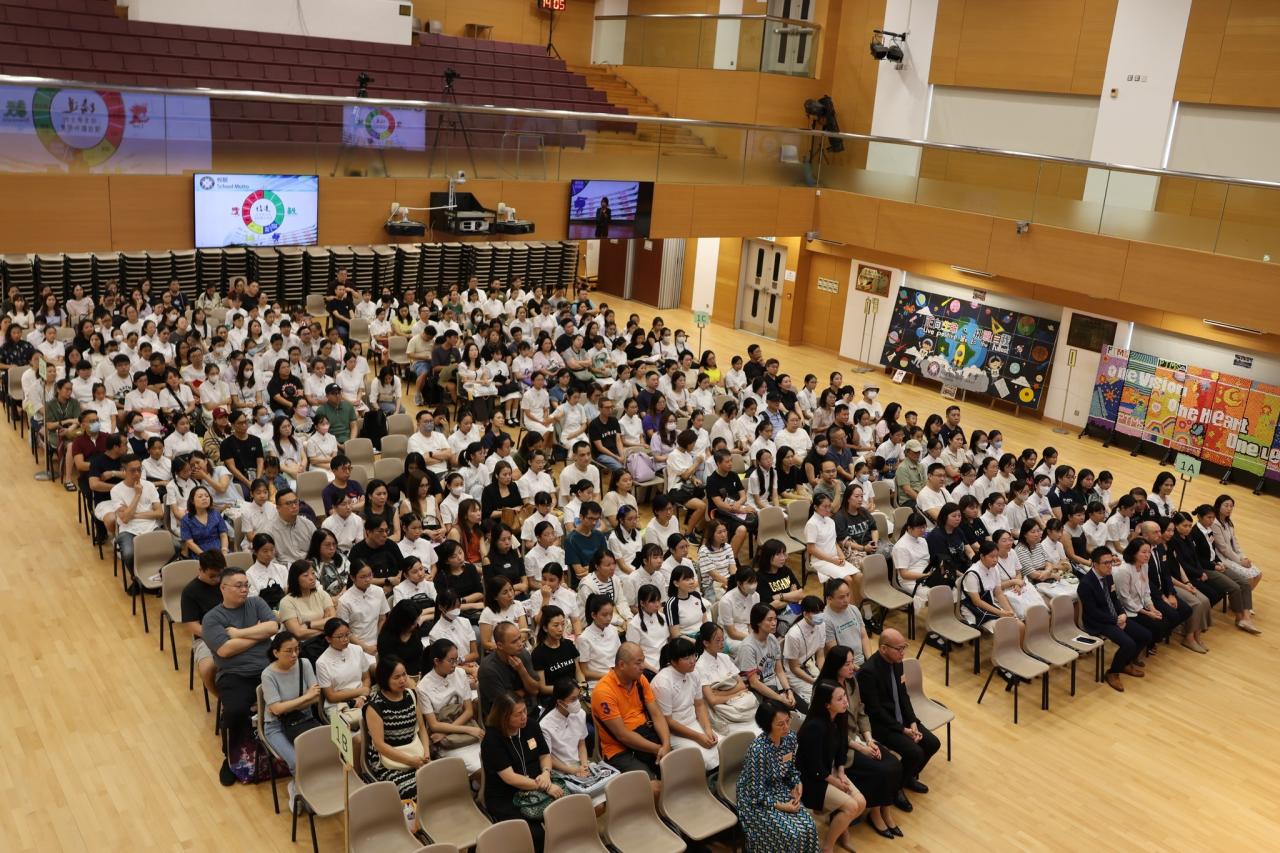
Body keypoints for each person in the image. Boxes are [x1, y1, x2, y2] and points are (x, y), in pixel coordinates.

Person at [202, 566, 279, 785]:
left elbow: (273, 626)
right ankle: (230, 758)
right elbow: (225, 650)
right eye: (238, 586)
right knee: (234, 712)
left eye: (246, 585)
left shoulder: (256, 603)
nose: (244, 589)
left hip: (268, 670)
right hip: (235, 674)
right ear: (223, 588)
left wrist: (238, 634)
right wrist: (258, 634)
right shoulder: (212, 618)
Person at [816, 645, 903, 837]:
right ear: (836, 665)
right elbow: (831, 731)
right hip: (840, 746)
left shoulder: (851, 681)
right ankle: (875, 814)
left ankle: (885, 810)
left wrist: (869, 740)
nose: (853, 667)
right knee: (880, 770)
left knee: (894, 763)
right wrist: (861, 748)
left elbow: (862, 712)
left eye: (852, 662)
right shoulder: (824, 689)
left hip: (858, 737)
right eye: (847, 664)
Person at [856, 629, 939, 808]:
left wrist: (913, 722)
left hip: (901, 720)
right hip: (881, 725)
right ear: (883, 648)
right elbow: (875, 711)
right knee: (915, 752)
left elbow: (903, 695)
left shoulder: (897, 663)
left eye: (904, 647)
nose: (903, 653)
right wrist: (902, 730)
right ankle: (895, 789)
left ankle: (906, 778)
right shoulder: (868, 672)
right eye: (899, 649)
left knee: (932, 743)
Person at [481, 691, 562, 852]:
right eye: (518, 714)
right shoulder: (492, 739)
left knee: (563, 816)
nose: (524, 716)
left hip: (538, 783)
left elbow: (545, 755)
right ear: (504, 717)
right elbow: (510, 778)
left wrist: (546, 773)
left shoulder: (531, 726)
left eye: (525, 710)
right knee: (535, 834)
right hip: (507, 795)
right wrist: (545, 786)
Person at [736, 700, 820, 853]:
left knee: (809, 827)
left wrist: (797, 783)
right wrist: (783, 806)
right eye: (780, 724)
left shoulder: (790, 738)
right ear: (767, 726)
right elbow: (756, 793)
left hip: (778, 786)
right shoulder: (758, 751)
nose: (786, 727)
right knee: (791, 834)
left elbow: (790, 769)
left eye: (788, 721)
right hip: (755, 798)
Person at [796, 681, 866, 853]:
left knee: (861, 803)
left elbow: (842, 746)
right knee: (851, 807)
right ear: (827, 704)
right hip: (811, 779)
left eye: (844, 697)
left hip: (830, 770)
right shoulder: (814, 727)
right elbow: (814, 767)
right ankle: (827, 847)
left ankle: (841, 831)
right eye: (840, 699)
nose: (845, 701)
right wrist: (836, 782)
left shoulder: (840, 716)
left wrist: (841, 771)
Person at [591, 642, 672, 782]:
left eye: (643, 661)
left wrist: (666, 744)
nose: (643, 666)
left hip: (645, 735)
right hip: (619, 749)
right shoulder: (603, 692)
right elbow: (622, 735)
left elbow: (657, 714)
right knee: (652, 785)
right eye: (638, 663)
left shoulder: (640, 680)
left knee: (675, 769)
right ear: (622, 665)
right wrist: (658, 748)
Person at [1079, 547, 1153, 692]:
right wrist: (1115, 620)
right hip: (1098, 622)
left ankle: (1124, 663)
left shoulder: (1108, 576)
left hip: (1114, 617)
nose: (1109, 566)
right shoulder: (1086, 584)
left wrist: (1122, 613)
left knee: (1145, 635)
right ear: (1095, 564)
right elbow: (1093, 612)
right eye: (1105, 563)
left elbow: (1115, 599)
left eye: (1111, 562)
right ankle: (1113, 672)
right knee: (1128, 644)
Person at [259, 631, 321, 805]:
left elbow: (316, 698)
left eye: (297, 649)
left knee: (322, 753)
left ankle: (308, 786)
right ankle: (298, 791)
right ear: (276, 652)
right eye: (288, 651)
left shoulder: (304, 664)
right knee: (296, 761)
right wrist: (305, 697)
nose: (294, 654)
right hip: (276, 726)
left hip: (304, 719)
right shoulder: (268, 675)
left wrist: (288, 705)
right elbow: (276, 710)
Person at [363, 656, 430, 803]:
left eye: (404, 675)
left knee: (436, 782)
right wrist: (410, 761)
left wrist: (426, 752)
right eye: (396, 677)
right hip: (388, 760)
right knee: (412, 790)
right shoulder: (375, 706)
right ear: (384, 679)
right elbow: (380, 745)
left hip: (415, 752)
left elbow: (422, 729)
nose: (402, 680)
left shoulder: (411, 695)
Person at [651, 637, 720, 770]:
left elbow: (699, 705)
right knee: (707, 759)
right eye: (686, 658)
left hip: (694, 723)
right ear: (673, 661)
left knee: (724, 748)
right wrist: (698, 737)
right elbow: (668, 722)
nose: (693, 660)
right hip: (675, 733)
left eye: (694, 655)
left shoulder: (694, 673)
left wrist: (707, 729)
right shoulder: (662, 683)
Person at [418, 638, 484, 776]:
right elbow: (434, 725)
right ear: (437, 661)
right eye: (451, 661)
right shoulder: (423, 687)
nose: (455, 665)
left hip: (459, 730)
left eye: (456, 660)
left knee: (491, 762)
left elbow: (468, 711)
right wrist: (467, 730)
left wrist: (446, 733)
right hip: (447, 741)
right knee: (479, 769)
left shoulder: (460, 673)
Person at [1114, 537, 1189, 653]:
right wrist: (1148, 613)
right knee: (1158, 626)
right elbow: (1125, 599)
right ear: (1133, 552)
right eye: (1143, 552)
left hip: (1141, 605)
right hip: (1127, 610)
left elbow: (1146, 591)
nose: (1147, 555)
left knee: (1165, 622)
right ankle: (1139, 648)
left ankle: (1147, 645)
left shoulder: (1144, 565)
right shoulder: (1124, 571)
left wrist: (1152, 608)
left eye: (1149, 552)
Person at [181, 550, 228, 699]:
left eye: (219, 574)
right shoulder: (190, 591)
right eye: (212, 576)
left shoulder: (227, 582)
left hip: (236, 630)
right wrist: (219, 635)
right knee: (208, 669)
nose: (217, 579)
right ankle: (223, 699)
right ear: (200, 570)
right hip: (206, 637)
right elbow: (193, 626)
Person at [736, 603, 799, 711]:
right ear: (758, 622)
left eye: (775, 619)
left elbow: (779, 671)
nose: (774, 623)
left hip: (774, 685)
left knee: (801, 708)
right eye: (769, 620)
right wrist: (781, 699)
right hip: (757, 691)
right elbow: (754, 683)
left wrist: (788, 690)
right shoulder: (748, 647)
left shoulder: (772, 639)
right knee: (786, 713)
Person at [477, 621, 541, 718]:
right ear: (500, 645)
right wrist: (525, 691)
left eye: (519, 638)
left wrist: (521, 670)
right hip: (504, 718)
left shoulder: (523, 653)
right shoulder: (488, 669)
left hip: (530, 709)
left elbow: (535, 690)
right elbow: (504, 705)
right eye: (514, 642)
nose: (520, 644)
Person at [277, 559, 337, 661]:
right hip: (303, 648)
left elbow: (332, 621)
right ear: (295, 579)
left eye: (313, 573)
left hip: (325, 642)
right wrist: (325, 630)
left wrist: (309, 624)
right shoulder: (286, 602)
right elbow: (298, 633)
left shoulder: (322, 594)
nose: (312, 578)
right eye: (306, 575)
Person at [316, 617, 374, 715]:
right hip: (338, 704)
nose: (346, 639)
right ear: (328, 639)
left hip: (363, 698)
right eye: (340, 637)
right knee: (358, 719)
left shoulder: (357, 649)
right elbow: (331, 696)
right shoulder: (322, 662)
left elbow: (366, 678)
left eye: (347, 634)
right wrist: (360, 692)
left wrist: (361, 697)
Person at [337, 560, 389, 656]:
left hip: (378, 641)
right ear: (352, 577)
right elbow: (345, 631)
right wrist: (365, 648)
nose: (368, 579)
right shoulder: (344, 601)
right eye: (363, 577)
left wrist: (379, 641)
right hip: (356, 646)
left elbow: (382, 619)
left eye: (370, 575)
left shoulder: (379, 591)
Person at [783, 595, 826, 708]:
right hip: (795, 674)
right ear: (805, 614)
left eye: (821, 611)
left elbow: (820, 656)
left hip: (811, 666)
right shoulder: (793, 635)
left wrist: (824, 674)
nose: (820, 615)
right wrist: (814, 681)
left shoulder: (821, 625)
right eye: (816, 612)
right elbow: (794, 668)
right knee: (819, 698)